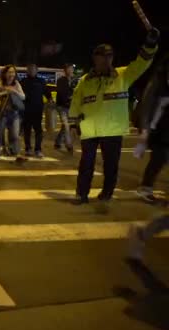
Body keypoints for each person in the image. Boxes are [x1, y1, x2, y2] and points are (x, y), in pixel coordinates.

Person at [70, 27, 160, 205]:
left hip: (112, 130)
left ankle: (107, 192)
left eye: (109, 55)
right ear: (95, 58)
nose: (106, 59)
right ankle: (81, 194)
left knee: (110, 166)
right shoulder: (85, 80)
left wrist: (150, 44)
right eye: (102, 56)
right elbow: (76, 102)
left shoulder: (123, 74)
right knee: (85, 165)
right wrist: (73, 125)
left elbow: (143, 62)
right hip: (89, 129)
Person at [134, 54, 169, 203]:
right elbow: (146, 105)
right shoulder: (157, 82)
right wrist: (145, 129)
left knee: (161, 158)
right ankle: (145, 188)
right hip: (159, 130)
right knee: (159, 158)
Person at [0, 65, 26, 162]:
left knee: (15, 134)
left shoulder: (17, 84)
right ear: (5, 74)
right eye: (9, 72)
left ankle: (17, 153)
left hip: (15, 113)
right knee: (0, 133)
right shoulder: (0, 84)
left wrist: (14, 91)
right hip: (3, 113)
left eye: (13, 72)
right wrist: (5, 92)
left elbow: (23, 97)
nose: (11, 74)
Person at [21, 63, 53, 158]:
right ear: (27, 71)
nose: (31, 71)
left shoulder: (41, 81)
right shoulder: (23, 81)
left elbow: (47, 92)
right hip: (26, 110)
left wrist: (50, 99)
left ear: (36, 70)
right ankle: (28, 148)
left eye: (33, 69)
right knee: (27, 130)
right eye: (29, 69)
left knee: (38, 131)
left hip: (38, 110)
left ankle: (38, 149)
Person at [55, 63, 77, 153]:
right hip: (62, 106)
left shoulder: (74, 80)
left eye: (72, 69)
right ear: (65, 70)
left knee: (65, 126)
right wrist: (69, 97)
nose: (71, 70)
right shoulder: (61, 80)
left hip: (71, 107)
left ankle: (57, 142)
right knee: (67, 125)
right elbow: (61, 92)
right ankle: (69, 145)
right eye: (69, 69)